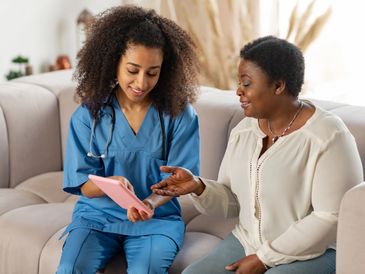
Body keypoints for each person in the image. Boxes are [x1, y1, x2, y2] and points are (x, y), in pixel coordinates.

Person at [151, 36, 364, 274]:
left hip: (317, 252)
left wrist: (264, 258)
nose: (238, 91)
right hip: (247, 242)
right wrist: (199, 186)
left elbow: (331, 218)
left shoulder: (328, 136)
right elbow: (232, 203)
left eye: (247, 83)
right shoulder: (244, 132)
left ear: (278, 86)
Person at [56, 5, 200, 274]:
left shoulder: (181, 115)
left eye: (152, 72)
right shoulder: (88, 115)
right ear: (114, 63)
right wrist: (109, 185)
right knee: (70, 268)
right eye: (132, 70)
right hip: (96, 217)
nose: (141, 82)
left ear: (164, 70)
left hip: (155, 219)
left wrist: (148, 204)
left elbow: (181, 180)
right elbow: (81, 183)